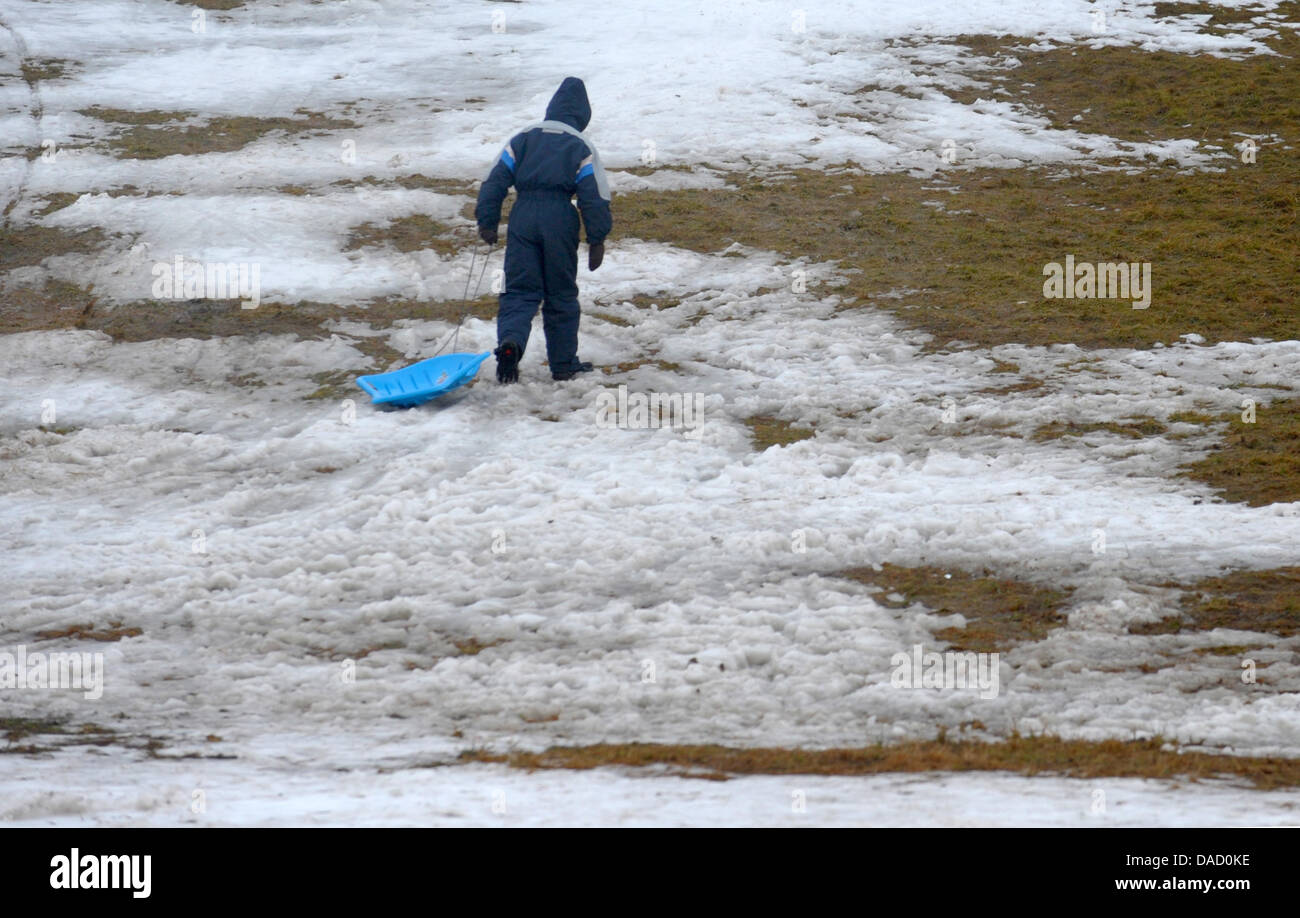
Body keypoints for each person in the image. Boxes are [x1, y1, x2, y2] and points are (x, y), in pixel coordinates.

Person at [475, 77, 612, 383]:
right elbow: (594, 196)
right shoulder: (581, 145)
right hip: (560, 220)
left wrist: (487, 221)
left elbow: (494, 181)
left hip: (523, 216)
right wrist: (597, 239)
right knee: (560, 294)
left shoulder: (523, 137)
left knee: (520, 290)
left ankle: (511, 344)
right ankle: (563, 364)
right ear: (582, 116)